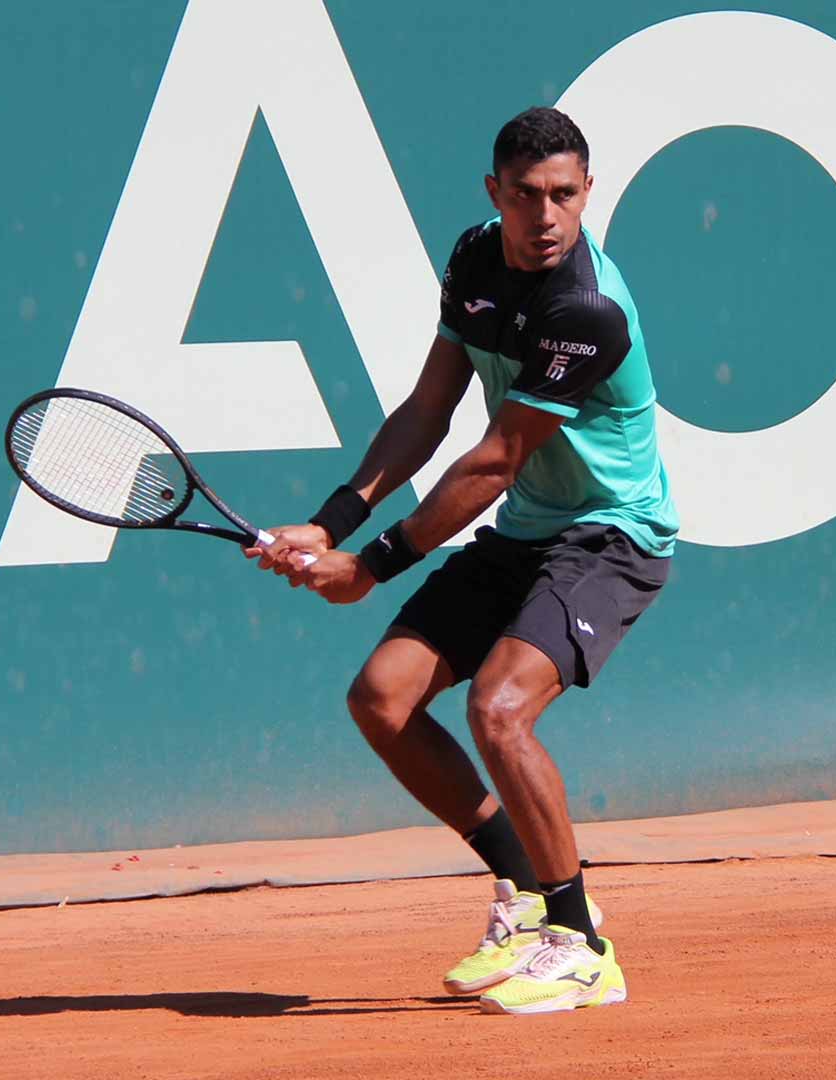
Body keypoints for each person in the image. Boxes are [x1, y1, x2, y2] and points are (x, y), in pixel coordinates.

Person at [246, 106, 677, 1016]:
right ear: (496, 195)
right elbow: (429, 407)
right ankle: (525, 889)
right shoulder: (476, 258)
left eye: (565, 194)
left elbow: (492, 461)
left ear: (588, 192)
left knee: (501, 707)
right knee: (383, 700)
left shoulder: (584, 310)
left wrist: (371, 566)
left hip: (610, 534)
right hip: (528, 531)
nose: (547, 215)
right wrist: (333, 521)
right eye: (527, 195)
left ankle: (582, 942)